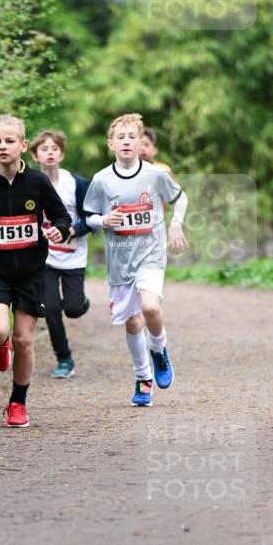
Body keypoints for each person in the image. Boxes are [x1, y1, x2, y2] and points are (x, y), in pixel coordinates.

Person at [0, 114, 72, 427]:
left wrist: (59, 231)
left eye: (10, 141)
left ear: (23, 146)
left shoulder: (37, 182)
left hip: (31, 273)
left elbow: (62, 217)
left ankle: (18, 403)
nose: (3, 146)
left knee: (24, 341)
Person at [83, 113, 189, 407]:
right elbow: (88, 215)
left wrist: (176, 224)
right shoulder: (101, 180)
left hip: (151, 254)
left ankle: (160, 350)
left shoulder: (155, 175)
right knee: (131, 322)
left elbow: (181, 198)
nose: (127, 142)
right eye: (121, 137)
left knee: (150, 307)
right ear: (110, 143)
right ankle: (143, 380)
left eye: (133, 137)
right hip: (119, 262)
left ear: (141, 143)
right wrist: (104, 219)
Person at [30, 129, 92, 379]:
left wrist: (71, 231)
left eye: (54, 148)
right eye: (44, 149)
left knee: (73, 308)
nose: (50, 153)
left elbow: (92, 219)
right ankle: (64, 358)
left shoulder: (76, 184)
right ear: (35, 155)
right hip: (44, 259)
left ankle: (81, 302)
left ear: (62, 154)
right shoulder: (29, 184)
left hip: (73, 256)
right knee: (51, 308)